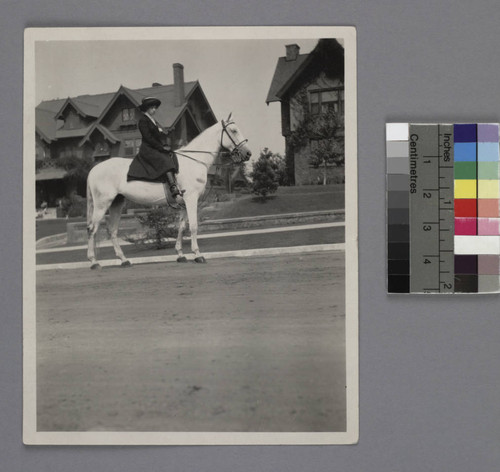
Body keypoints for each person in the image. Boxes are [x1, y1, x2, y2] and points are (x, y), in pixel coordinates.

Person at [127, 97, 184, 202]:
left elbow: (157, 136)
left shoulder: (152, 121)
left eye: (155, 108)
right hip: (148, 149)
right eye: (152, 108)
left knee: (171, 155)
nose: (154, 110)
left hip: (154, 147)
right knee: (164, 160)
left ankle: (175, 182)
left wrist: (166, 136)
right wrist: (161, 148)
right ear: (147, 109)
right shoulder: (143, 121)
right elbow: (148, 138)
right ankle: (172, 187)